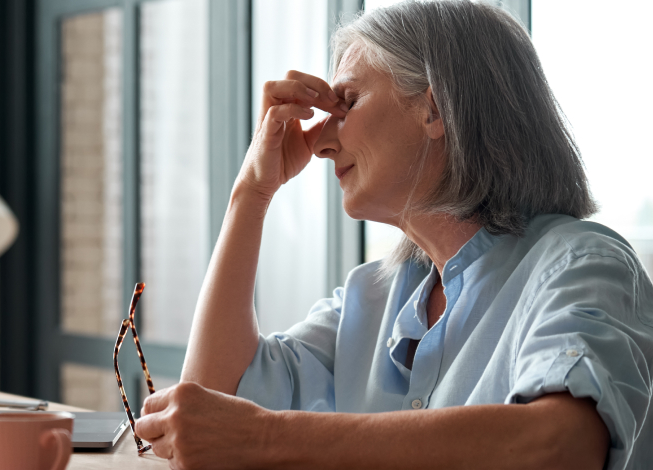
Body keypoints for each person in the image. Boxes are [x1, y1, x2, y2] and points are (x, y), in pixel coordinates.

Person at [135, 1, 653, 469]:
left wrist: (269, 437)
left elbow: (563, 446)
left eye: (349, 101)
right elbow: (211, 415)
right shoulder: (374, 297)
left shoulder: (581, 264)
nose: (322, 144)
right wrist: (251, 192)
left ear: (434, 109)